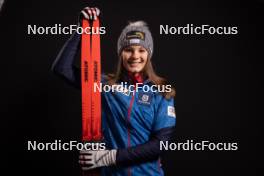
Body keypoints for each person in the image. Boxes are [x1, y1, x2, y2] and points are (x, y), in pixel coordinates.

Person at [51, 7, 176, 176]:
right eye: (128, 50)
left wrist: (110, 157)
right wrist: (82, 29)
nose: (135, 56)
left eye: (141, 50)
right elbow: (62, 68)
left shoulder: (161, 92)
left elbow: (160, 144)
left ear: (149, 54)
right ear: (120, 54)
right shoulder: (104, 84)